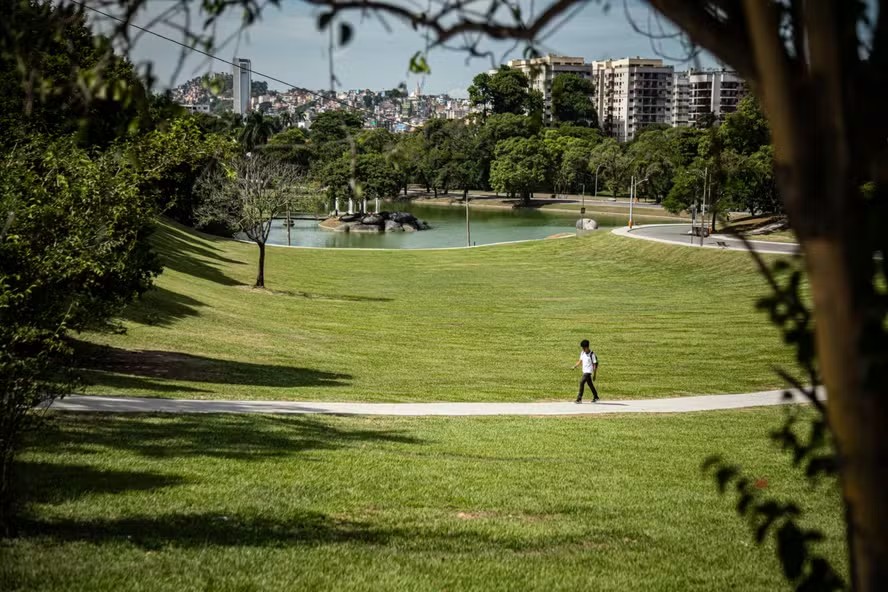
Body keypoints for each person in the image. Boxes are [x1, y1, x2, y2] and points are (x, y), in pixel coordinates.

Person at [571, 339, 599, 403]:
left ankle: (579, 399)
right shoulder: (582, 353)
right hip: (584, 371)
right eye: (582, 348)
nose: (583, 349)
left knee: (581, 382)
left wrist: (594, 375)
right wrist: (575, 366)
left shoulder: (592, 354)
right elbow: (580, 361)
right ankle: (596, 396)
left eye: (584, 348)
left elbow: (595, 365)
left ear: (587, 347)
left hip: (588, 372)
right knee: (590, 384)